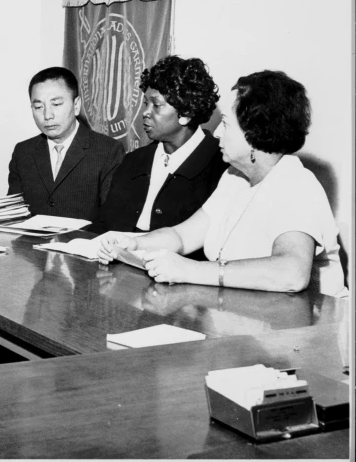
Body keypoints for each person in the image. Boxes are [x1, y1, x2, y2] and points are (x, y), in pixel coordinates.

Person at [97, 70, 347, 297]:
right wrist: (132, 243)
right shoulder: (234, 178)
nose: (216, 133)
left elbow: (291, 273)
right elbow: (181, 236)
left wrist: (191, 270)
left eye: (226, 124)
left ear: (254, 133)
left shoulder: (296, 185)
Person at [90, 56, 229, 251]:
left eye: (156, 105)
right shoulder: (133, 161)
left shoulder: (222, 166)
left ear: (186, 112)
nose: (145, 113)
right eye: (145, 103)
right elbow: (104, 224)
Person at [7, 66, 125, 221]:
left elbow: (112, 219)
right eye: (38, 107)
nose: (47, 115)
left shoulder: (108, 151)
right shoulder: (23, 152)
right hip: (28, 245)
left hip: (84, 243)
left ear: (76, 105)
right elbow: (12, 215)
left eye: (56, 104)